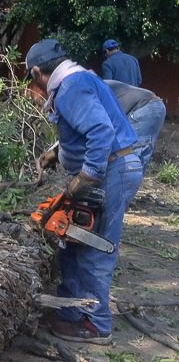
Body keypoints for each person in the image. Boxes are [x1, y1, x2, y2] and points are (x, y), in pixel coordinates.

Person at [27, 38, 143, 345]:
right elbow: (83, 129)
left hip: (112, 171)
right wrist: (58, 152)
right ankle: (70, 310)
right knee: (74, 241)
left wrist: (86, 178)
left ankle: (96, 323)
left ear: (37, 72)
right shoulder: (78, 79)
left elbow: (100, 131)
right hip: (115, 167)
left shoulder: (70, 88)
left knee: (94, 247)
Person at [105, 80, 166, 173]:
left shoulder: (83, 94)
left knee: (129, 161)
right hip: (147, 106)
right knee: (132, 162)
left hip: (144, 107)